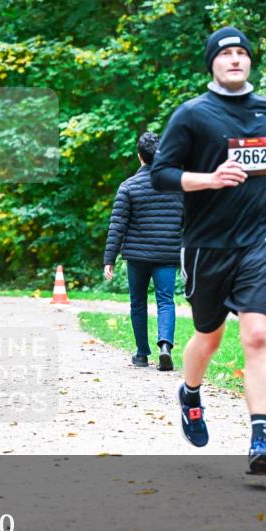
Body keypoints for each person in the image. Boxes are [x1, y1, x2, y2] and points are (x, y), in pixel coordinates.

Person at [151, 26, 266, 475]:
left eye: (241, 53)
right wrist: (208, 179)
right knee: (209, 337)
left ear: (250, 61)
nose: (235, 59)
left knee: (256, 334)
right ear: (212, 62)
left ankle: (259, 437)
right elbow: (162, 174)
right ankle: (190, 392)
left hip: (256, 239)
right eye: (225, 53)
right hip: (206, 244)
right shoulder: (192, 115)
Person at [103, 131, 183, 371]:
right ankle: (165, 346)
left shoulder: (128, 186)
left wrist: (109, 258)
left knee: (138, 302)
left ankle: (141, 354)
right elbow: (188, 220)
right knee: (166, 301)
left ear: (140, 156)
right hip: (167, 255)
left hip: (137, 257)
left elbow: (118, 225)